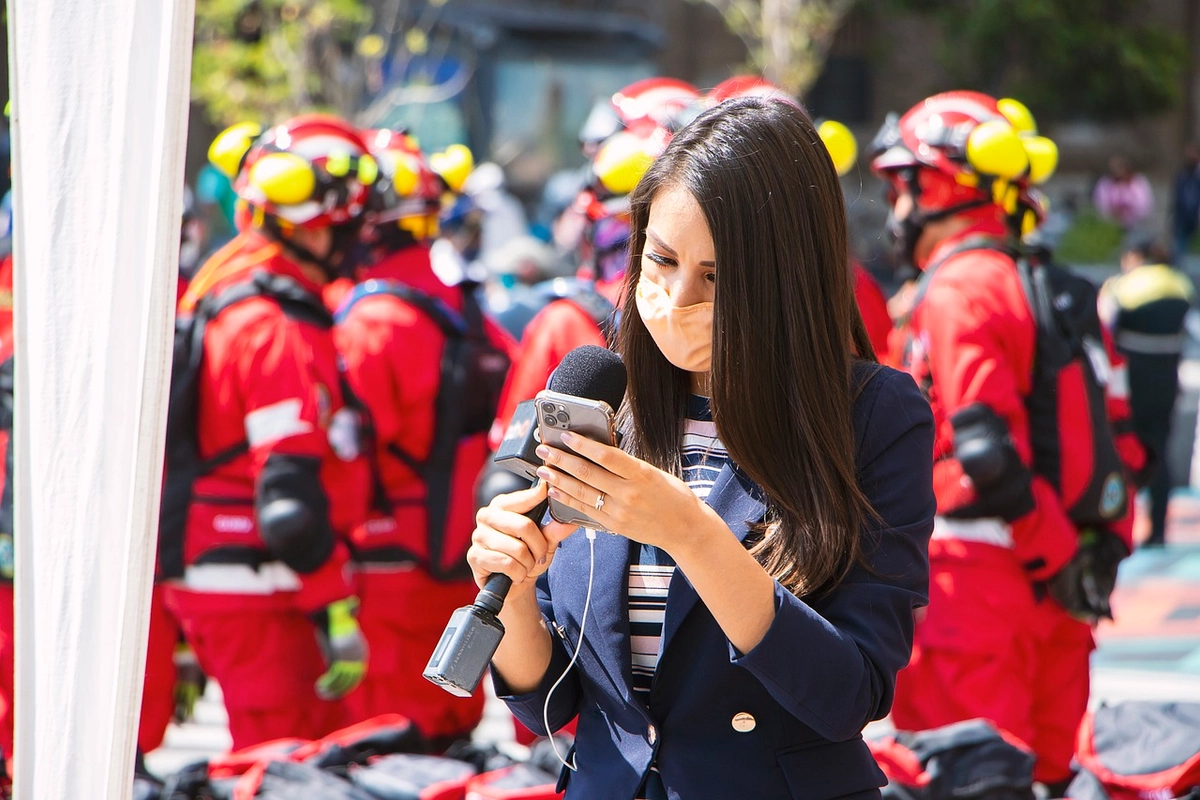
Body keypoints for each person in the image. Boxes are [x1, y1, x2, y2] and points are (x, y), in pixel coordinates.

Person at [468, 96, 936, 799]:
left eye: (716, 276)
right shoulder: (605, 400)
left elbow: (848, 693)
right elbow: (551, 706)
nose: (676, 295)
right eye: (660, 260)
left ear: (786, 279)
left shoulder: (873, 416)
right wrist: (512, 590)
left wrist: (691, 533)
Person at [872, 91, 1132, 792]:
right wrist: (1080, 557)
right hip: (1065, 579)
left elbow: (982, 447)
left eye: (904, 187)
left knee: (963, 774)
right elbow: (1124, 442)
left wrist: (1048, 552)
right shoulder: (1061, 287)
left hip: (973, 587)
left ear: (945, 185)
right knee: (1046, 777)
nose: (898, 211)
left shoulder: (959, 288)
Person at [164, 115, 374, 750]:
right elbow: (286, 501)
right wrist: (333, 606)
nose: (358, 237)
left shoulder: (233, 296)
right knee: (280, 764)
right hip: (257, 580)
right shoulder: (271, 327)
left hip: (244, 575)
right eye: (348, 223)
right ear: (313, 224)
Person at [334, 129, 516, 746]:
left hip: (387, 568)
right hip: (458, 557)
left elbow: (343, 459)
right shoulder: (464, 304)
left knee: (383, 746)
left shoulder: (371, 321)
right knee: (446, 736)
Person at [1099, 237, 1195, 546]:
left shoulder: (1123, 286)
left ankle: (1116, 528)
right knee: (1159, 453)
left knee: (1119, 452)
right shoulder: (1180, 284)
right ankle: (1157, 532)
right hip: (1167, 383)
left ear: (1135, 256)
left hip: (1127, 385)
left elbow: (1104, 330)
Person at [1093, 155, 1153, 235]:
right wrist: (1113, 214)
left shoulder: (1138, 182)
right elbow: (1100, 205)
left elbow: (1144, 205)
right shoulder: (1104, 183)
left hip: (1136, 226)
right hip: (1110, 226)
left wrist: (1128, 214)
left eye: (1119, 166)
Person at [1171, 144, 1200, 263]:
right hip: (1183, 218)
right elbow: (1177, 197)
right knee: (1179, 250)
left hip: (1196, 216)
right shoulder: (1183, 174)